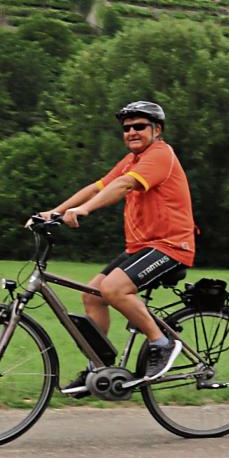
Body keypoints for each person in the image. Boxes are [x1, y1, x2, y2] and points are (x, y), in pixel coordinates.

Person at [35, 101, 194, 396]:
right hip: (141, 248)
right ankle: (100, 368)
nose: (131, 132)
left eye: (139, 126)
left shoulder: (160, 155)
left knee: (113, 289)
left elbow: (124, 185)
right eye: (126, 128)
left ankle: (162, 343)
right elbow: (99, 186)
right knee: (92, 295)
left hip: (170, 246)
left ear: (157, 130)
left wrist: (84, 210)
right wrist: (54, 212)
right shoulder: (132, 159)